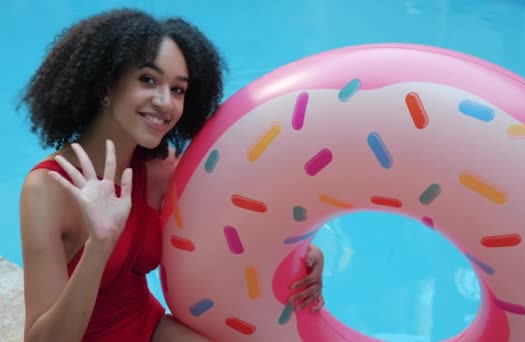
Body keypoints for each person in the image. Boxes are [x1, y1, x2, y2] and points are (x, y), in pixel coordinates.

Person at [17, 8, 325, 342]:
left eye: (178, 90)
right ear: (104, 84)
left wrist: (300, 251)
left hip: (148, 329)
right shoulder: (48, 189)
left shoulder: (162, 168)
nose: (166, 103)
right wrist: (98, 247)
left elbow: (241, 221)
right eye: (148, 80)